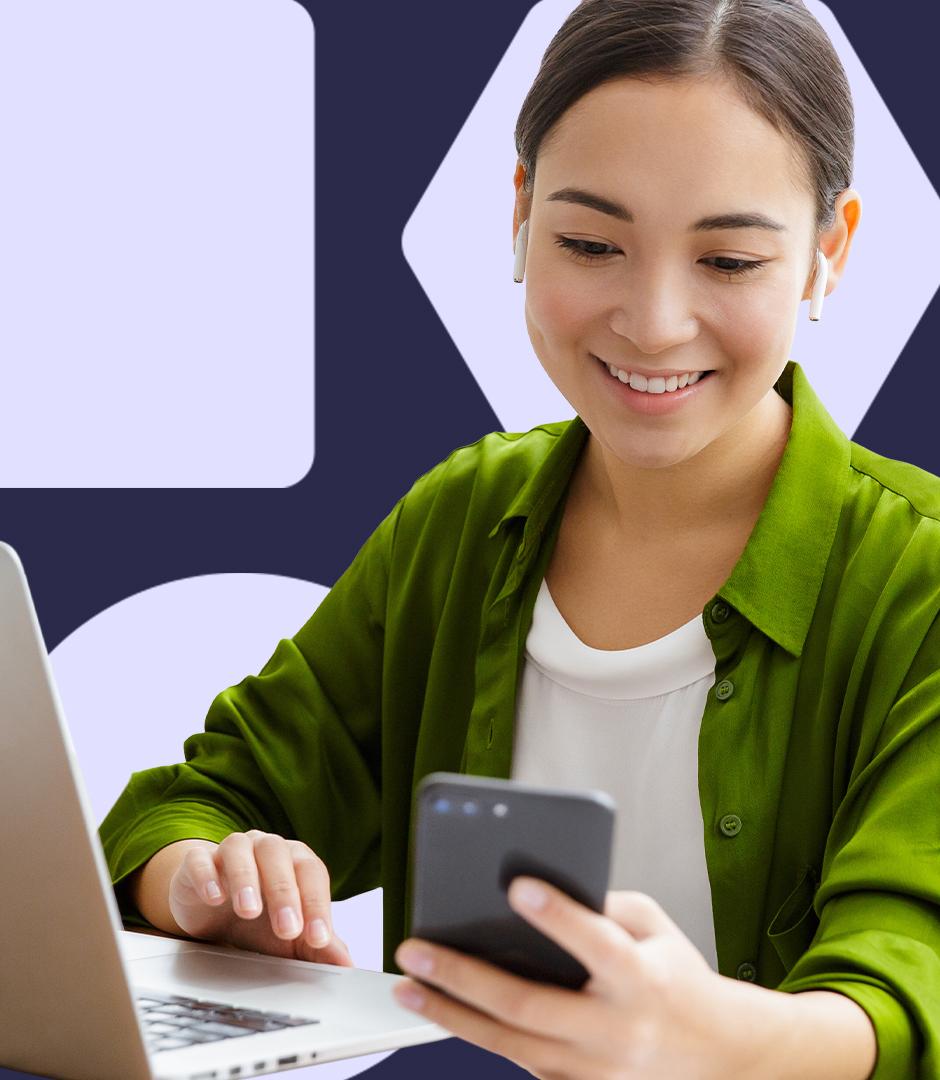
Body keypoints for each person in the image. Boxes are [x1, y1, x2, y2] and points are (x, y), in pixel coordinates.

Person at [100, 0, 940, 1075]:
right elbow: (196, 804)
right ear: (520, 214)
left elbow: (909, 982)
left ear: (829, 253)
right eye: (589, 243)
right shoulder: (461, 520)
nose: (653, 322)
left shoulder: (916, 579)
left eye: (729, 261)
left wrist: (703, 1037)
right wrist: (204, 881)